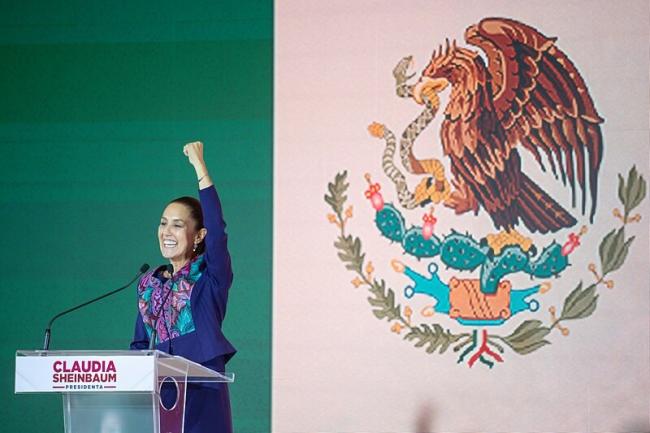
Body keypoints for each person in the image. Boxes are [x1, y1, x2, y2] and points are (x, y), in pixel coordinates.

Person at [130, 141, 235, 433]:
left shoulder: (210, 276)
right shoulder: (149, 284)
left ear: (198, 235)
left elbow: (218, 231)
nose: (167, 232)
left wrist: (200, 167)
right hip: (157, 400)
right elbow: (140, 344)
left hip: (202, 397)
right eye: (163, 224)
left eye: (177, 225)